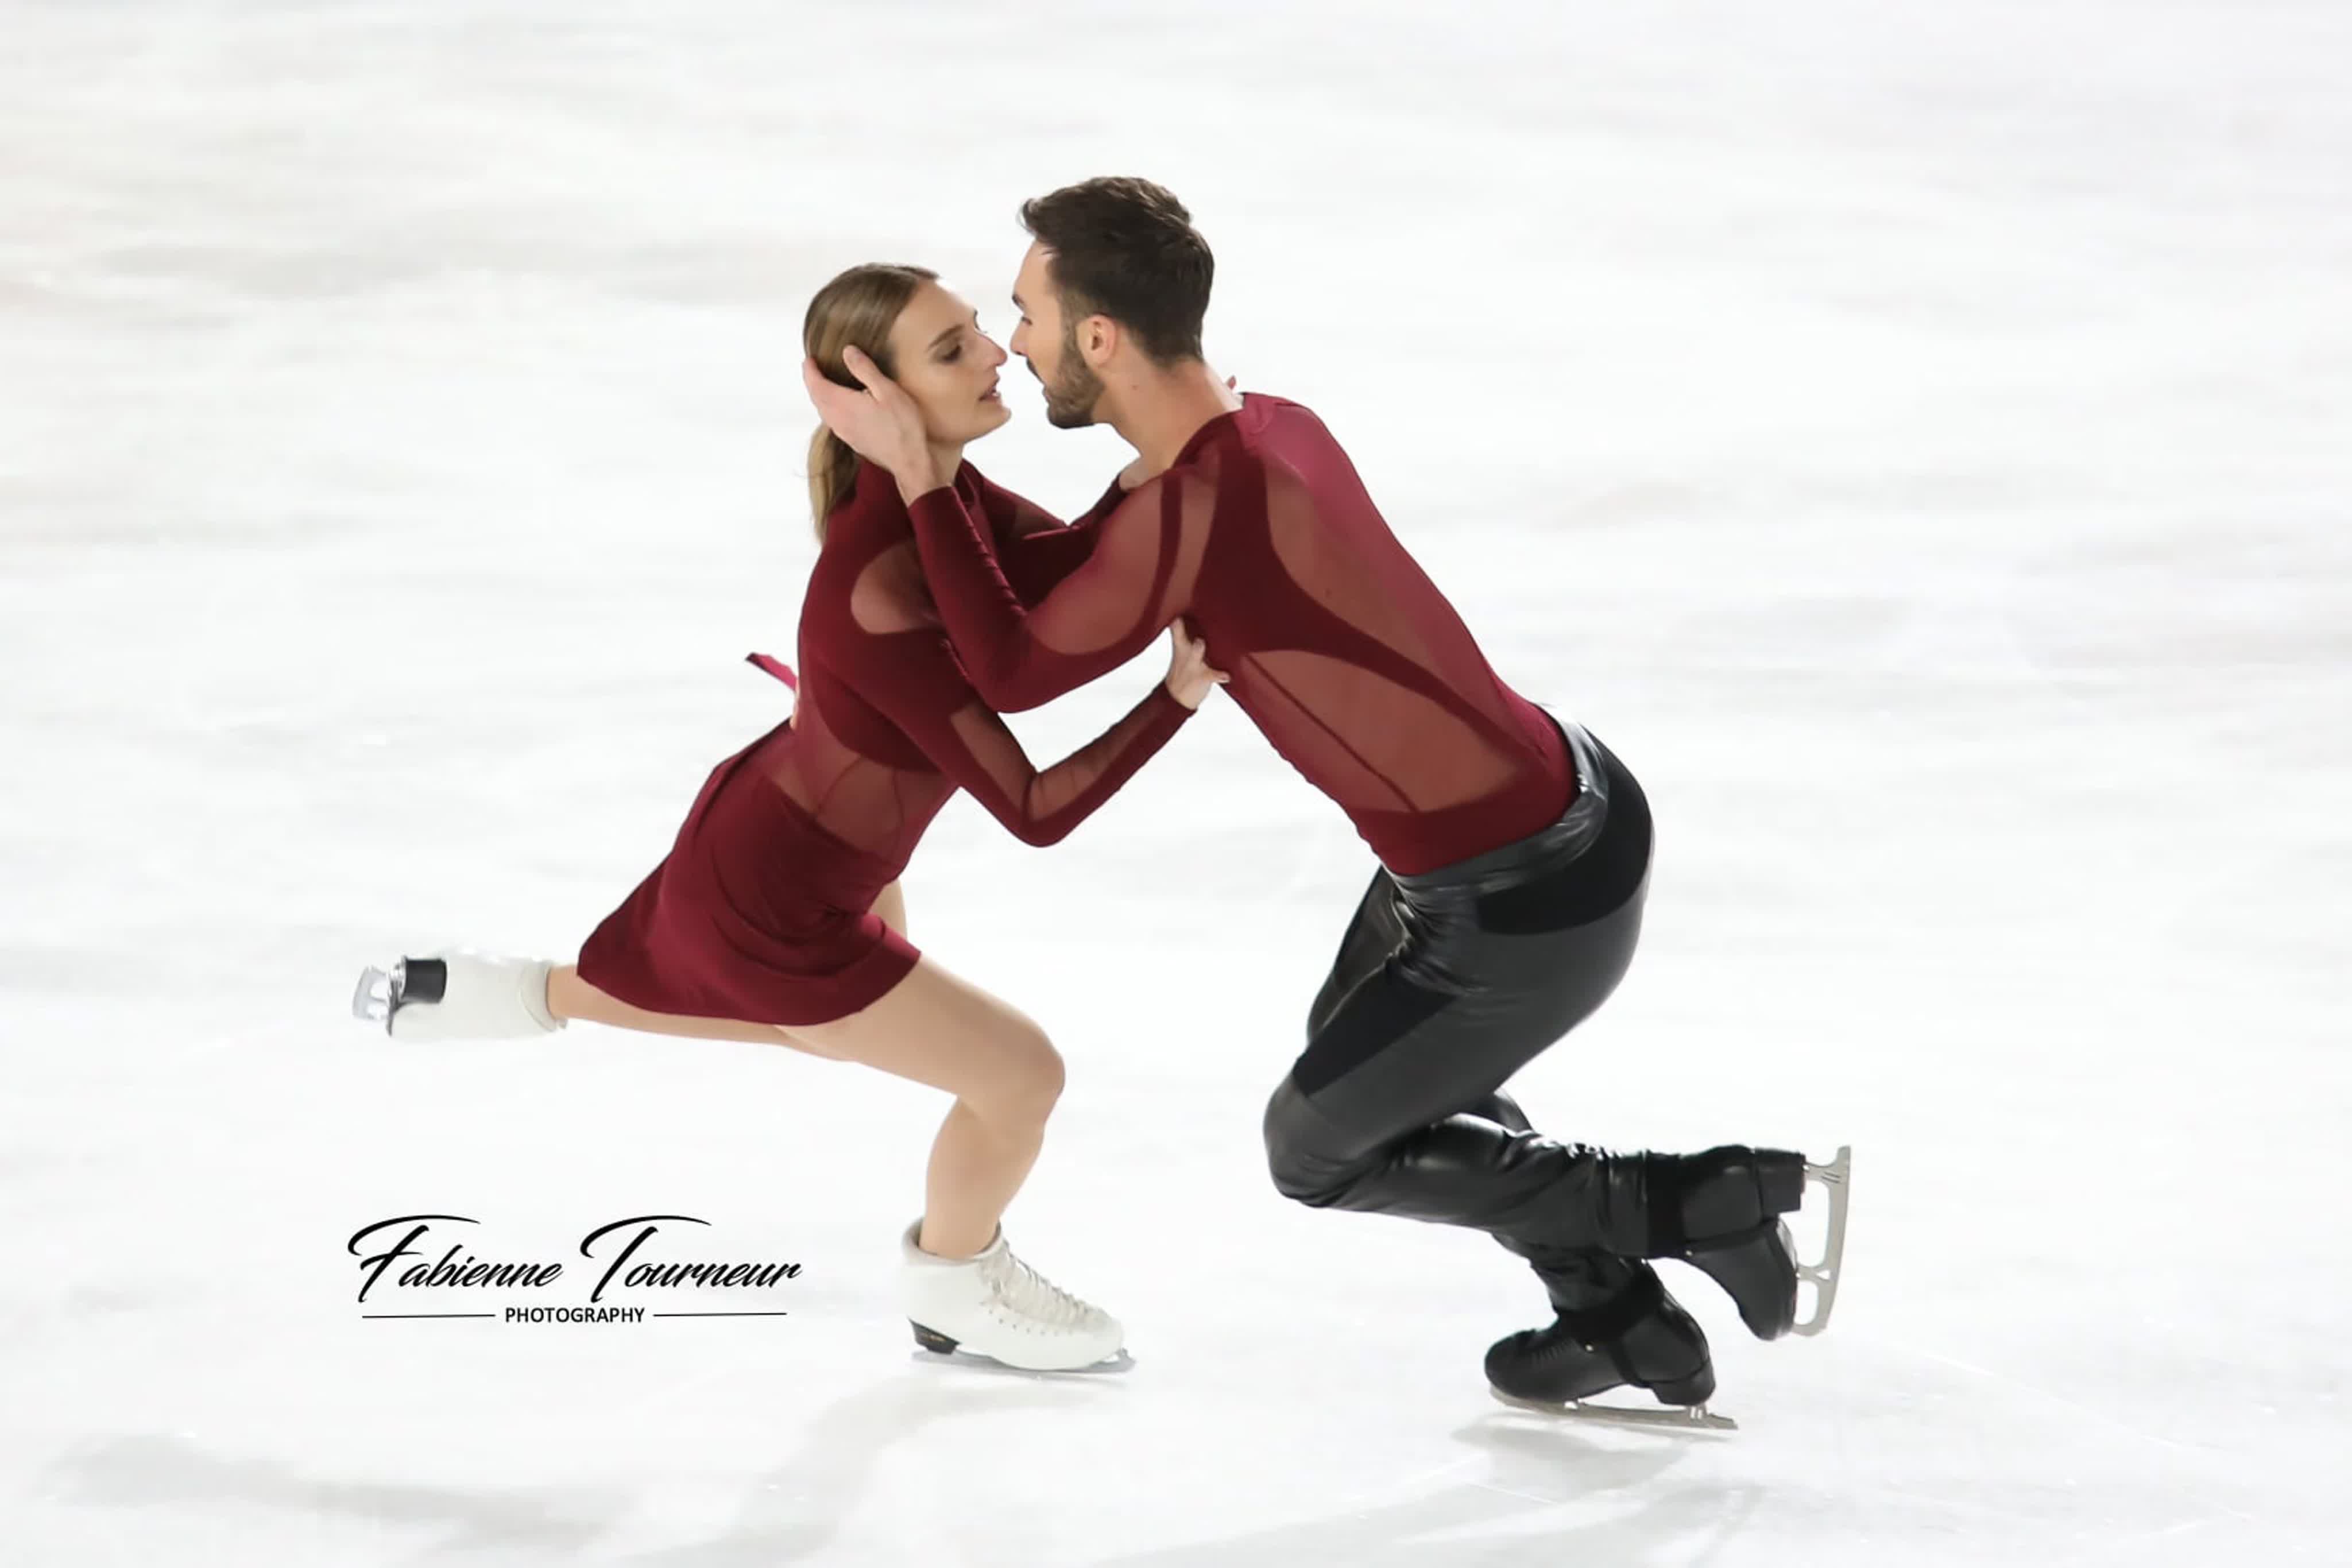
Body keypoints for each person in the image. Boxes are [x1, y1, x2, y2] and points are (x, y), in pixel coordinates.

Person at [804, 179, 1846, 1417]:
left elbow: (1013, 666)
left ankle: (1695, 1200)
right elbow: (1065, 578)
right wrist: (927, 481)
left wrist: (920, 476)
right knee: (1389, 1088)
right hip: (1541, 817)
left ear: (1099, 338)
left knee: (1318, 1150)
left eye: (1024, 316)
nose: (1012, 345)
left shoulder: (1189, 503)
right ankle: (1617, 1316)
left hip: (1521, 898)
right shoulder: (1252, 433)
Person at [353, 262, 1228, 1372]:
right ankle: (956, 1283)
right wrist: (1176, 698)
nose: (1000, 355)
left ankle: (495, 994)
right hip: (781, 901)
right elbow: (1035, 807)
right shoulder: (884, 584)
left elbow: (1053, 575)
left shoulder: (935, 494)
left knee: (830, 1031)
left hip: (783, 845)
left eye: (977, 331)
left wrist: (1165, 466)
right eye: (954, 348)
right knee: (1019, 1077)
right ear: (879, 396)